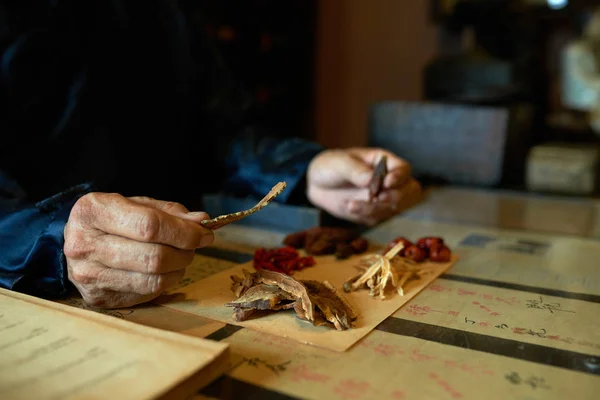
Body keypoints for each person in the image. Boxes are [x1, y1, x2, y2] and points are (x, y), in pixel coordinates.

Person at [0, 1, 421, 309]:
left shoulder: (168, 13)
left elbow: (221, 130)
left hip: (181, 286)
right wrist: (53, 239)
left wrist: (304, 169)